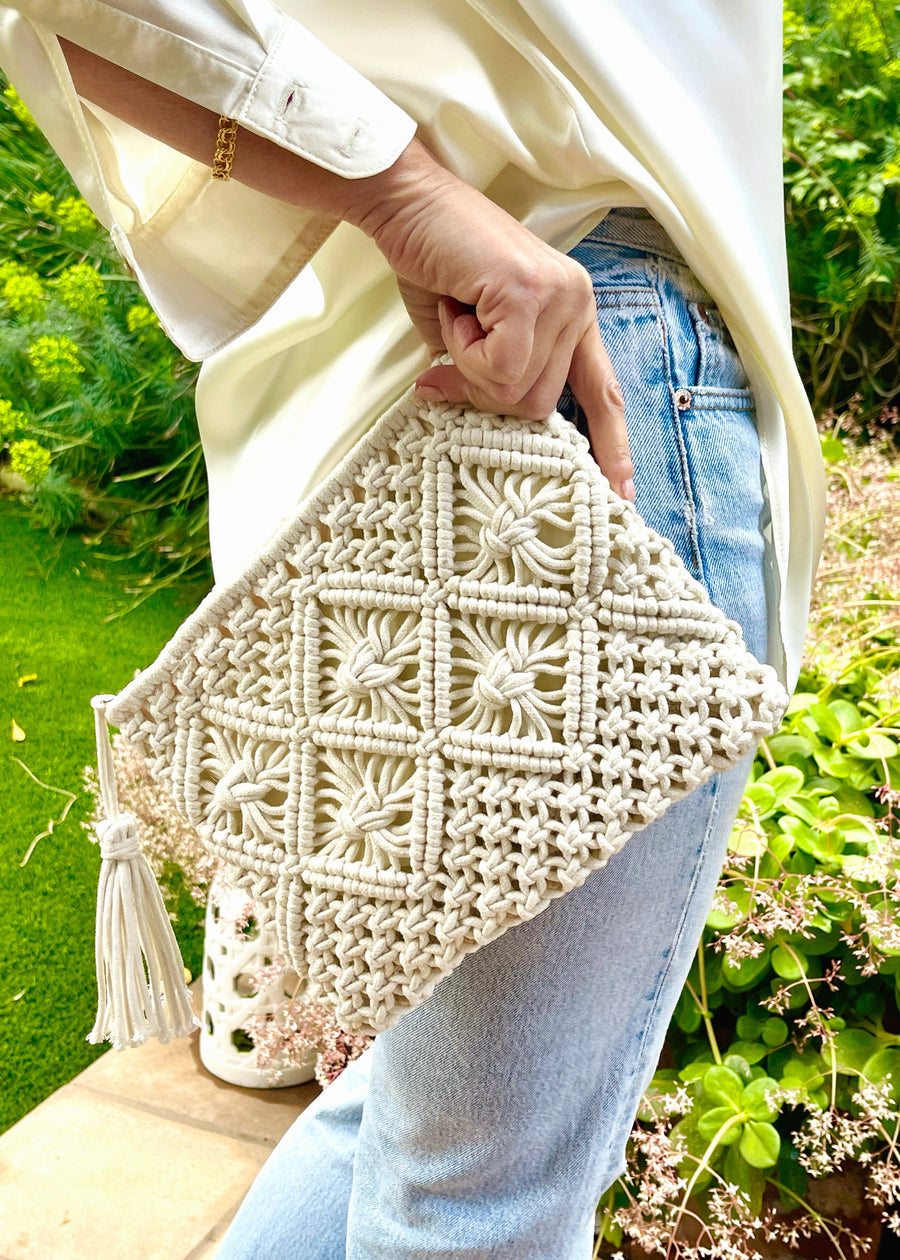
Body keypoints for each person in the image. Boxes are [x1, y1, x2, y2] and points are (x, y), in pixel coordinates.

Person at [0, 3, 826, 1256]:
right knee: (476, 1196)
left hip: (392, 400)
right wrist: (398, 191)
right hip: (566, 398)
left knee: (408, 1135)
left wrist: (390, 188)